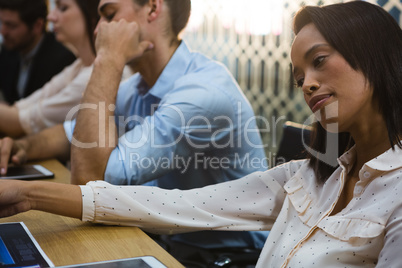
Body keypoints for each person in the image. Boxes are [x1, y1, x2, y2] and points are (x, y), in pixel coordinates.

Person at [0, 1, 401, 267]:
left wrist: (108, 58)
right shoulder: (309, 175)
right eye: (300, 78)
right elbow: (173, 204)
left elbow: (97, 177)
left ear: (373, 53)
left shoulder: (204, 92)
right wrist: (26, 193)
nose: (308, 85)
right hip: (170, 243)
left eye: (319, 62)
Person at [0, 0, 269, 264]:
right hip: (165, 241)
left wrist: (109, 58)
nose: (98, 31)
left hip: (225, 259)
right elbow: (69, 134)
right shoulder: (138, 85)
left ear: (153, 8)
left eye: (109, 14)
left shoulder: (203, 94)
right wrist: (24, 148)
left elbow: (90, 183)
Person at [0, 0, 100, 138]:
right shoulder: (79, 66)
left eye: (63, 8)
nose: (51, 17)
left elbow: (25, 122)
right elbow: (22, 107)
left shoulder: (91, 75)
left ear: (92, 15)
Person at [0, 0, 76, 104]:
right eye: (1, 23)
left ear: (37, 26)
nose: (3, 31)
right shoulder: (8, 50)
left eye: (11, 26)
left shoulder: (62, 59)